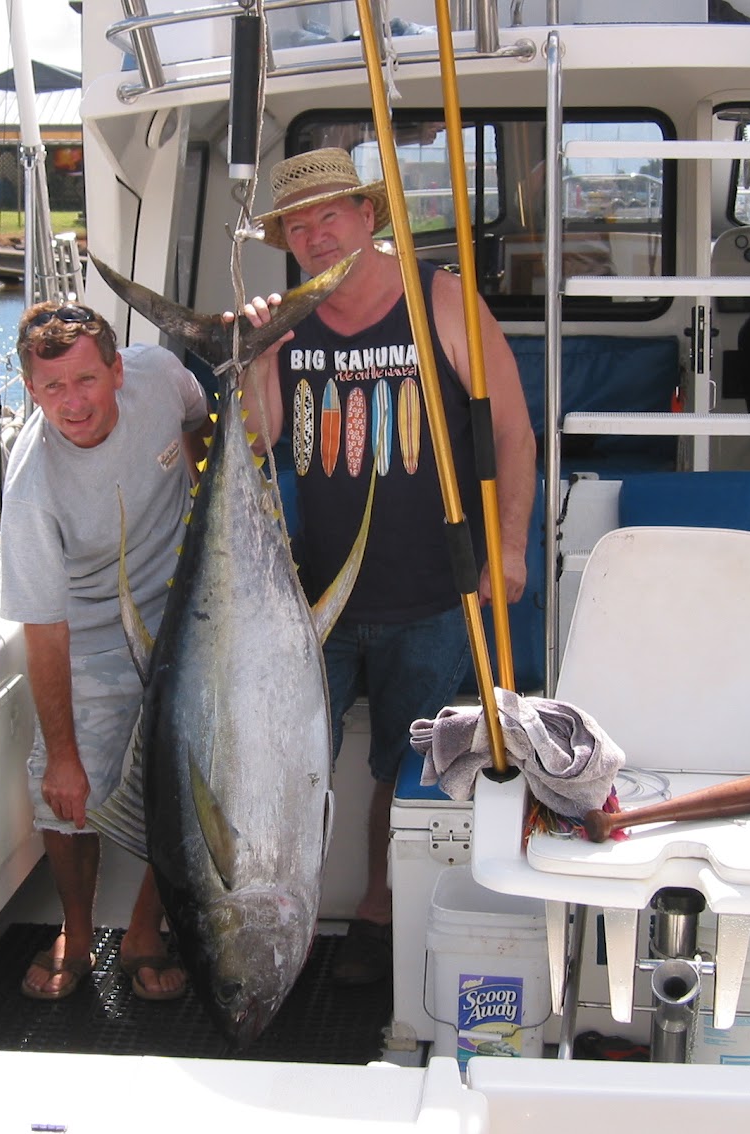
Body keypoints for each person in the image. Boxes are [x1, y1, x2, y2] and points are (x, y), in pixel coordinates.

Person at [242, 147, 537, 986]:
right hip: (315, 606)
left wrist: (509, 548)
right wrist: (257, 355)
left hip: (434, 595)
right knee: (289, 770)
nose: (316, 236)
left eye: (331, 215)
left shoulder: (440, 300)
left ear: (368, 217)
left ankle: (379, 913)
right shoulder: (285, 320)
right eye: (299, 227)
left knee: (406, 774)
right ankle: (282, 922)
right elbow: (258, 440)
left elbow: (512, 430)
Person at [0, 301, 211, 1003]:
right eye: (52, 387)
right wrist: (64, 754)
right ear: (30, 390)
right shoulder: (31, 488)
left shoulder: (159, 375)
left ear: (118, 371)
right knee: (62, 792)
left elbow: (196, 418)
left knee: (189, 776)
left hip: (186, 605)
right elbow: (45, 630)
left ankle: (145, 929)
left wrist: (204, 488)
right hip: (90, 632)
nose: (73, 403)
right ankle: (78, 926)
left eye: (86, 380)